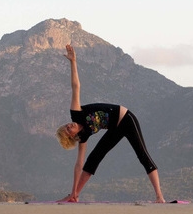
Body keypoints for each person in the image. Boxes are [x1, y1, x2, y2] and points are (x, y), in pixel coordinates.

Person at [55, 44, 165, 203]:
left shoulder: (76, 113)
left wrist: (73, 62)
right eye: (68, 131)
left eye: (66, 126)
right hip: (115, 128)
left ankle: (159, 197)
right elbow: (79, 164)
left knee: (142, 154)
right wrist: (72, 189)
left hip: (125, 118)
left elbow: (75, 87)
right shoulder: (83, 136)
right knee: (93, 158)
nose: (68, 126)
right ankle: (74, 195)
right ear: (72, 137)